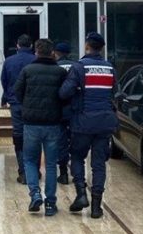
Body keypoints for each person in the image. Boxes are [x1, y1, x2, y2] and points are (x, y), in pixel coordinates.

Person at [59, 32, 118, 219]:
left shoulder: (79, 67)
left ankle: (81, 194)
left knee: (77, 157)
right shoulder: (110, 68)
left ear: (87, 46)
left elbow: (64, 93)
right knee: (99, 164)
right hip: (105, 123)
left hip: (83, 122)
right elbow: (115, 93)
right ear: (101, 48)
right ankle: (96, 207)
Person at [14, 39, 68, 216]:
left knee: (30, 160)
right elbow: (65, 95)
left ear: (36, 52)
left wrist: (27, 106)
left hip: (31, 123)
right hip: (53, 123)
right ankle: (50, 203)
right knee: (51, 164)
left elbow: (17, 92)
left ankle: (35, 194)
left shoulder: (27, 70)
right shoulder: (60, 72)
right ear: (52, 53)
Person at [0, 34, 36, 184]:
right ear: (31, 46)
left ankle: (23, 171)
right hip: (33, 104)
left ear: (17, 45)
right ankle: (33, 170)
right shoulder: (36, 60)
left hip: (16, 104)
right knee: (33, 136)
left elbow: (4, 81)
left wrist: (7, 97)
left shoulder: (9, 61)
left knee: (19, 136)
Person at [54, 42, 75, 184]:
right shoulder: (76, 66)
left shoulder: (54, 67)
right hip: (75, 110)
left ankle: (63, 174)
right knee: (75, 141)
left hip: (59, 110)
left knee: (61, 142)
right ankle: (77, 172)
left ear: (56, 53)